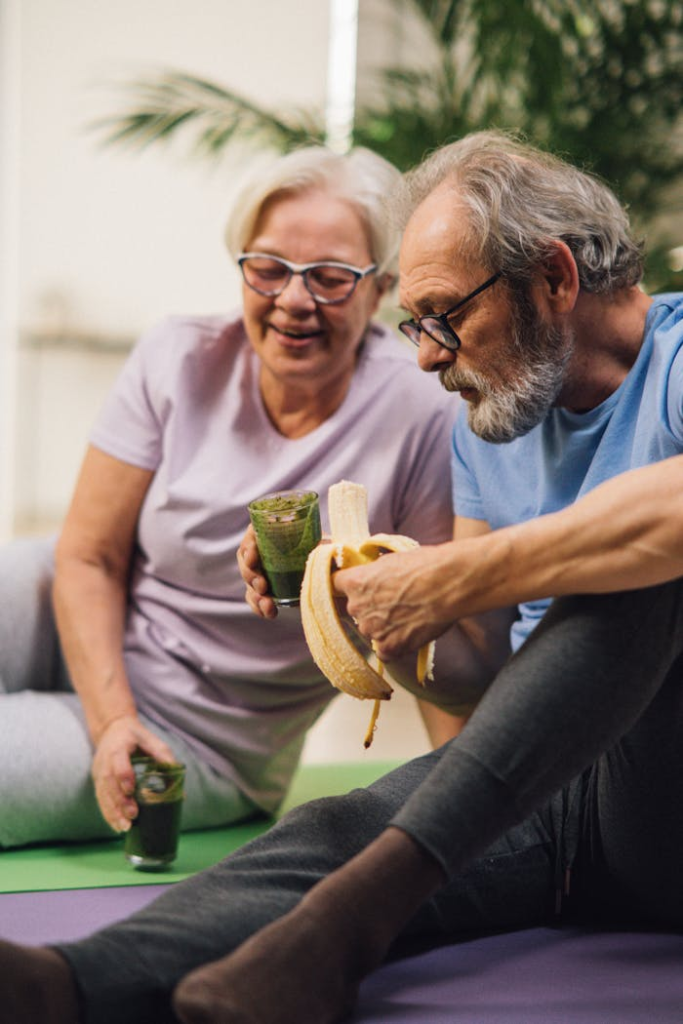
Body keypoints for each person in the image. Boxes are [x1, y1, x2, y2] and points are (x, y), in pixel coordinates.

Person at [4, 128, 683, 1024]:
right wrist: (376, 612)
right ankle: (73, 981)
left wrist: (452, 575)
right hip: (555, 798)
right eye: (418, 325)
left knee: (638, 574)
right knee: (331, 831)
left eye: (445, 317)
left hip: (662, 793)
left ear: (554, 278)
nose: (429, 356)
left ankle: (346, 931)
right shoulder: (490, 424)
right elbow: (480, 670)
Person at [0, 144, 461, 849]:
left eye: (331, 278)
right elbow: (88, 556)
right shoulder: (175, 355)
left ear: (379, 288)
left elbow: (433, 638)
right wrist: (109, 714)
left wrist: (462, 823)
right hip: (72, 615)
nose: (293, 301)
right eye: (269, 269)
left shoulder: (422, 414)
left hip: (198, 733)